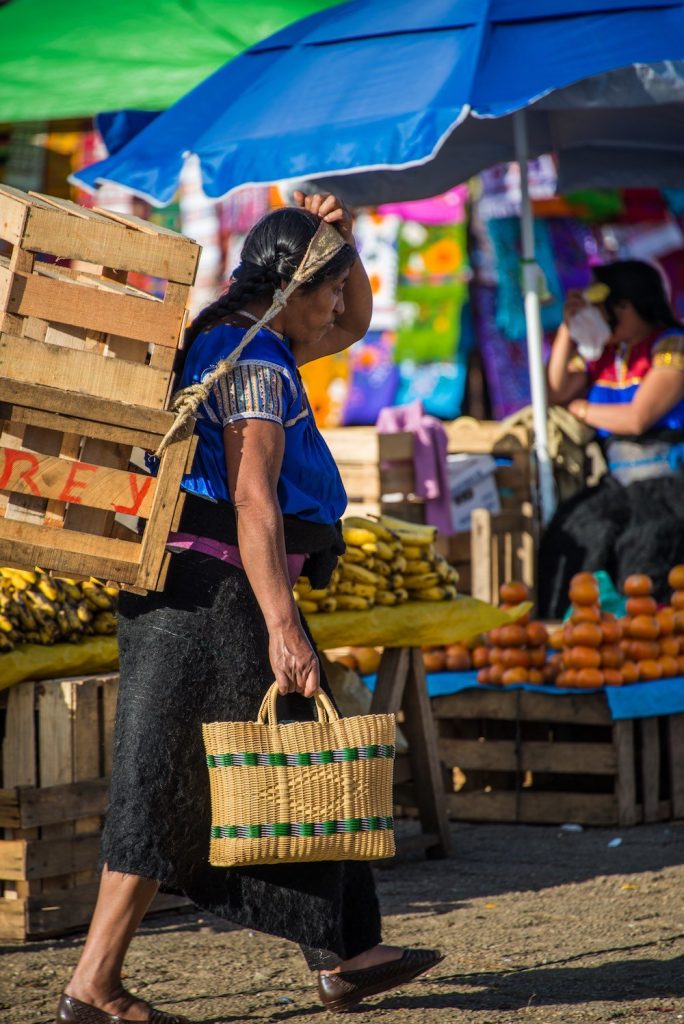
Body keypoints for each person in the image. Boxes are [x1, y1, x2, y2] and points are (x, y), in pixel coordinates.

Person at [56, 193, 442, 1024]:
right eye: (328, 288)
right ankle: (94, 984)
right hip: (211, 599)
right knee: (165, 786)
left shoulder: (224, 333)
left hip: (191, 592)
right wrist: (282, 628)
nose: (340, 308)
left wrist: (340, 243)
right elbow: (254, 501)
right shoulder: (256, 363)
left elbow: (352, 327)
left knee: (290, 756)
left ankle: (348, 953)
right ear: (293, 291)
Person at [540, 259, 684, 617]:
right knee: (577, 529)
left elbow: (637, 418)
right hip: (617, 483)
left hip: (667, 485)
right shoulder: (603, 356)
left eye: (603, 310)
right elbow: (554, 391)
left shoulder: (672, 346)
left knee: (646, 540)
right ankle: (574, 627)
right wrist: (567, 331)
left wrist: (584, 411)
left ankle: (645, 636)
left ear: (626, 306)